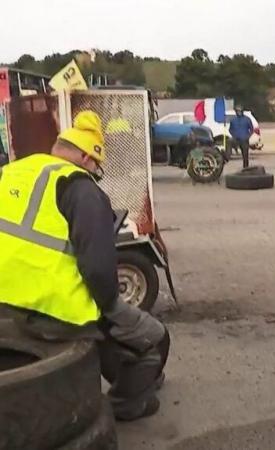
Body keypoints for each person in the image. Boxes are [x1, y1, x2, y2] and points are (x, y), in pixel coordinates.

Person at [0, 111, 170, 421]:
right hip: (53, 309)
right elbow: (98, 269)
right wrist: (112, 306)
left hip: (4, 303)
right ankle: (126, 403)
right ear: (84, 157)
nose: (95, 173)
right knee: (151, 337)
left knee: (105, 330)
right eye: (96, 166)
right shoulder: (82, 188)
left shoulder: (11, 172)